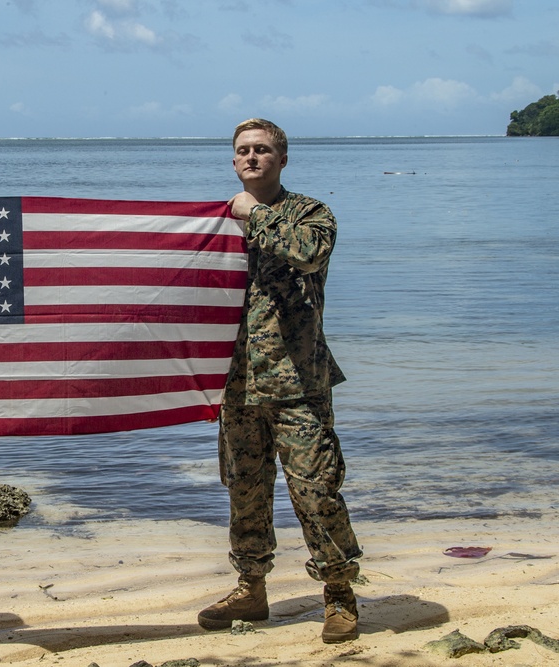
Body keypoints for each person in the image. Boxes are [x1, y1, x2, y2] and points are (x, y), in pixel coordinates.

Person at [197, 119, 363, 643]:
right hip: (237, 386)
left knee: (317, 492)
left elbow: (309, 253)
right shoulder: (214, 225)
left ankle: (339, 594)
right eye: (243, 150)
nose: (252, 157)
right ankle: (251, 587)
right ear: (233, 161)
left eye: (263, 150)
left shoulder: (310, 213)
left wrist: (254, 214)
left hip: (298, 384)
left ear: (282, 159)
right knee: (245, 492)